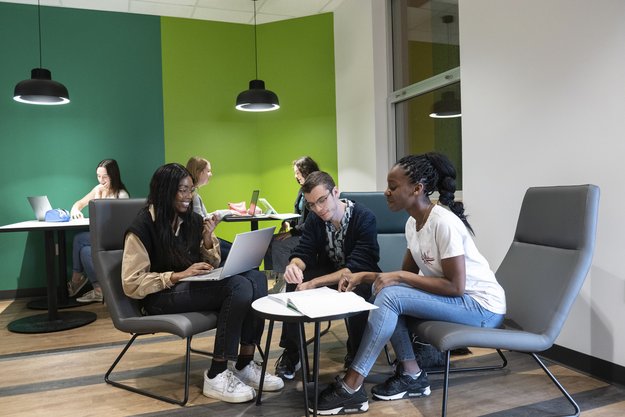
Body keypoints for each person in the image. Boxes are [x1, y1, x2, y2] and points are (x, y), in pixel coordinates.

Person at [314, 153, 507, 415]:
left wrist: (398, 279)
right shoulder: (412, 223)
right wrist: (365, 277)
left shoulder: (444, 223)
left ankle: (352, 385)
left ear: (417, 189)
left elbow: (455, 287)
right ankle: (413, 376)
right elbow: (404, 277)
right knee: (385, 292)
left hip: (483, 308)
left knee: (391, 295)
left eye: (393, 187)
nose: (386, 192)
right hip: (460, 302)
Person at [121, 163, 283, 403]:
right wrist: (177, 275)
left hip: (189, 285)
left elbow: (212, 261)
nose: (189, 197)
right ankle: (217, 374)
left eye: (190, 190)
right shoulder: (142, 227)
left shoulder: (192, 221)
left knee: (256, 277)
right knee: (238, 286)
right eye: (182, 190)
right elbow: (131, 283)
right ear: (165, 191)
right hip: (159, 297)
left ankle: (244, 364)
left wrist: (207, 240)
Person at [275, 171, 381, 380]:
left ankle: (356, 354)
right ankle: (293, 352)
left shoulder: (364, 217)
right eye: (312, 205)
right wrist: (294, 266)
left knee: (355, 289)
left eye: (322, 200)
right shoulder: (316, 219)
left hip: (362, 276)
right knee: (293, 283)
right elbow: (304, 251)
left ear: (335, 192)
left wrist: (313, 283)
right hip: (329, 272)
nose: (318, 209)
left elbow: (354, 268)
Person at [67, 159, 129, 303]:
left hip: (115, 237)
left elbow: (109, 221)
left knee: (79, 239)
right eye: (98, 176)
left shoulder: (121, 194)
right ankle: (99, 290)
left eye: (104, 177)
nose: (101, 180)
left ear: (113, 175)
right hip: (100, 235)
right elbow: (79, 203)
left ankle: (76, 278)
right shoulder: (97, 188)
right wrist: (75, 209)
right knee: (85, 252)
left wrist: (100, 196)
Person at [264, 156, 320, 278]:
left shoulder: (316, 191)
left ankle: (285, 281)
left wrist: (292, 233)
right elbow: (298, 215)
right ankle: (271, 279)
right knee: (267, 242)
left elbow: (313, 222)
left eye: (297, 173)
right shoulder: (302, 191)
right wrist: (286, 222)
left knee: (278, 245)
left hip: (308, 236)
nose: (296, 176)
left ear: (307, 171)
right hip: (298, 232)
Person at [185, 156, 232, 261]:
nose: (211, 174)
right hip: (201, 244)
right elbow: (201, 222)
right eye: (208, 171)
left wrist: (226, 212)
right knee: (237, 253)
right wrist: (225, 213)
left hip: (199, 241)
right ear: (199, 172)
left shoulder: (193, 195)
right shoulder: (193, 196)